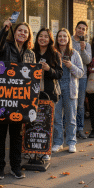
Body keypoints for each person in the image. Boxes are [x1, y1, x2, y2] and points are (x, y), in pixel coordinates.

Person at [0, 19, 36, 180]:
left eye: (25, 32)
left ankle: (15, 167)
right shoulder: (5, 47)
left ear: (29, 35)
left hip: (20, 101)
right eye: (20, 30)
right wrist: (4, 28)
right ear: (14, 32)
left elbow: (32, 78)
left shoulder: (30, 54)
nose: (22, 33)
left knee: (17, 135)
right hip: (1, 98)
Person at [52, 28, 84, 154]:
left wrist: (71, 66)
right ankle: (58, 142)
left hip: (70, 88)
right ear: (57, 38)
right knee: (57, 117)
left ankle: (71, 142)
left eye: (65, 36)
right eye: (60, 36)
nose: (62, 38)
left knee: (71, 117)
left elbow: (81, 73)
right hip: (56, 88)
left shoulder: (74, 53)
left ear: (68, 39)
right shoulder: (53, 53)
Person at [34, 28, 63, 161]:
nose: (43, 39)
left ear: (50, 39)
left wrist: (48, 69)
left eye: (46, 36)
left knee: (48, 122)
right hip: (33, 93)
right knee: (34, 122)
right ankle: (33, 148)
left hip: (50, 93)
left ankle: (46, 149)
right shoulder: (32, 52)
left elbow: (59, 74)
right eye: (41, 36)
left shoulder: (55, 54)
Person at [71, 21, 92, 139]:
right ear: (75, 28)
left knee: (80, 105)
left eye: (83, 29)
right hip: (69, 77)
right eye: (79, 28)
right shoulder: (69, 41)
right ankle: (68, 127)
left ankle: (80, 128)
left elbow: (88, 61)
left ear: (86, 32)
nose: (81, 30)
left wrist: (83, 50)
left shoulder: (87, 45)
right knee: (68, 104)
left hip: (82, 77)